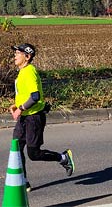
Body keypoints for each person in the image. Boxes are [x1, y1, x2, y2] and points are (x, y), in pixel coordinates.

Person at [9, 43, 74, 191]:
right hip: (24, 117)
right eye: (15, 53)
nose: (15, 55)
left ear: (27, 56)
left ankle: (63, 158)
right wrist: (16, 105)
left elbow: (35, 96)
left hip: (34, 118)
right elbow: (25, 95)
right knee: (16, 149)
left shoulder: (29, 71)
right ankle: (23, 181)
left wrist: (20, 109)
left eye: (18, 53)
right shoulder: (22, 72)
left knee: (34, 154)